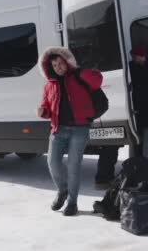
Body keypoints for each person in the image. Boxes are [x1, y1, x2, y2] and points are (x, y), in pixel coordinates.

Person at [37, 47, 103, 216]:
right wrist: (43, 112)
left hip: (79, 129)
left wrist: (78, 69)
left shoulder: (78, 76)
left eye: (61, 63)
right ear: (50, 67)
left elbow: (97, 80)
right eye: (54, 65)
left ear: (67, 62)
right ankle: (62, 191)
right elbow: (46, 106)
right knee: (52, 163)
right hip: (58, 130)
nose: (58, 67)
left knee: (74, 166)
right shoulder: (49, 86)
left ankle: (72, 202)